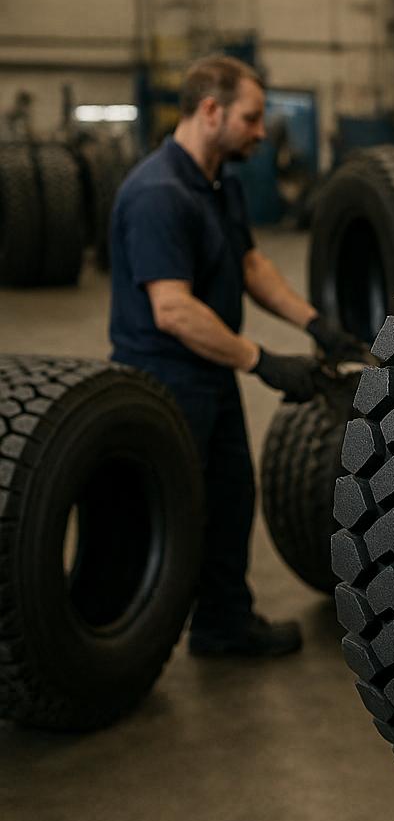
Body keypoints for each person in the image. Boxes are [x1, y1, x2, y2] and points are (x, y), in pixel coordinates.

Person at [109, 55, 365, 657]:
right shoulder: (158, 194)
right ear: (210, 110)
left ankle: (222, 624)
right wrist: (261, 361)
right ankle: (125, 638)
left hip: (209, 374)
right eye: (250, 119)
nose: (260, 133)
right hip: (166, 381)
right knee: (172, 511)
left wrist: (316, 325)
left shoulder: (218, 183)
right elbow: (173, 310)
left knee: (228, 498)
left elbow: (249, 264)